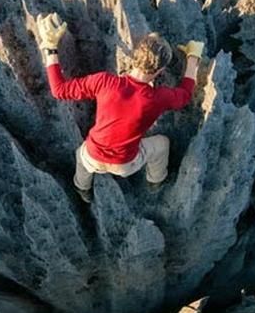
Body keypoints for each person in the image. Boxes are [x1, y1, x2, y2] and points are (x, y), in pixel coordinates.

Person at [36, 13, 204, 203]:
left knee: (81, 159)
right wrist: (193, 58)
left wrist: (50, 48)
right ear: (160, 71)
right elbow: (185, 95)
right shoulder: (158, 98)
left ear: (134, 57)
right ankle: (155, 181)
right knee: (162, 144)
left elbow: (59, 90)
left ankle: (82, 189)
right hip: (126, 164)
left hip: (93, 156)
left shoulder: (104, 82)